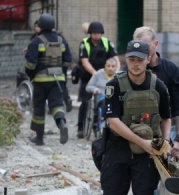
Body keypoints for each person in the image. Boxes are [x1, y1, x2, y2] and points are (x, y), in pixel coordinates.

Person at [101, 40, 171, 195]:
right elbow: (113, 122)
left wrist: (164, 142)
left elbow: (166, 117)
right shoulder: (114, 86)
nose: (136, 63)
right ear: (126, 60)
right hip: (118, 148)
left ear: (148, 59)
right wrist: (143, 143)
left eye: (140, 59)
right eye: (131, 59)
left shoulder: (158, 85)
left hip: (146, 156)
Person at [133, 26, 179, 195]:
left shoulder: (171, 71)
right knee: (146, 184)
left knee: (165, 182)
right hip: (139, 133)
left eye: (145, 46)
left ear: (155, 45)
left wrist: (178, 139)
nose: (141, 52)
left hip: (166, 129)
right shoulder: (132, 72)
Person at [25, 13, 72, 146]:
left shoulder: (36, 41)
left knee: (39, 108)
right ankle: (61, 123)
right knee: (57, 105)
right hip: (58, 79)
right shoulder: (61, 40)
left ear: (40, 25)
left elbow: (30, 64)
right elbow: (68, 60)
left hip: (40, 81)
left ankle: (39, 138)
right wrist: (60, 72)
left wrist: (31, 75)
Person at [77, 21, 120, 138]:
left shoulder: (107, 43)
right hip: (88, 76)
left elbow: (116, 58)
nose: (96, 35)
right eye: (94, 33)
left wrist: (116, 71)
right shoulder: (84, 43)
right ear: (90, 34)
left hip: (105, 74)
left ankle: (102, 126)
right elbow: (84, 61)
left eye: (98, 33)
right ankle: (81, 127)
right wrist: (96, 74)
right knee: (85, 102)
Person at [86, 57, 117, 121]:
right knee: (105, 103)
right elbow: (88, 86)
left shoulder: (118, 77)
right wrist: (94, 89)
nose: (110, 68)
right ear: (105, 66)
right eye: (108, 66)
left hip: (114, 99)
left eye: (113, 66)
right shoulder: (98, 74)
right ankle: (104, 118)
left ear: (116, 68)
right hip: (101, 97)